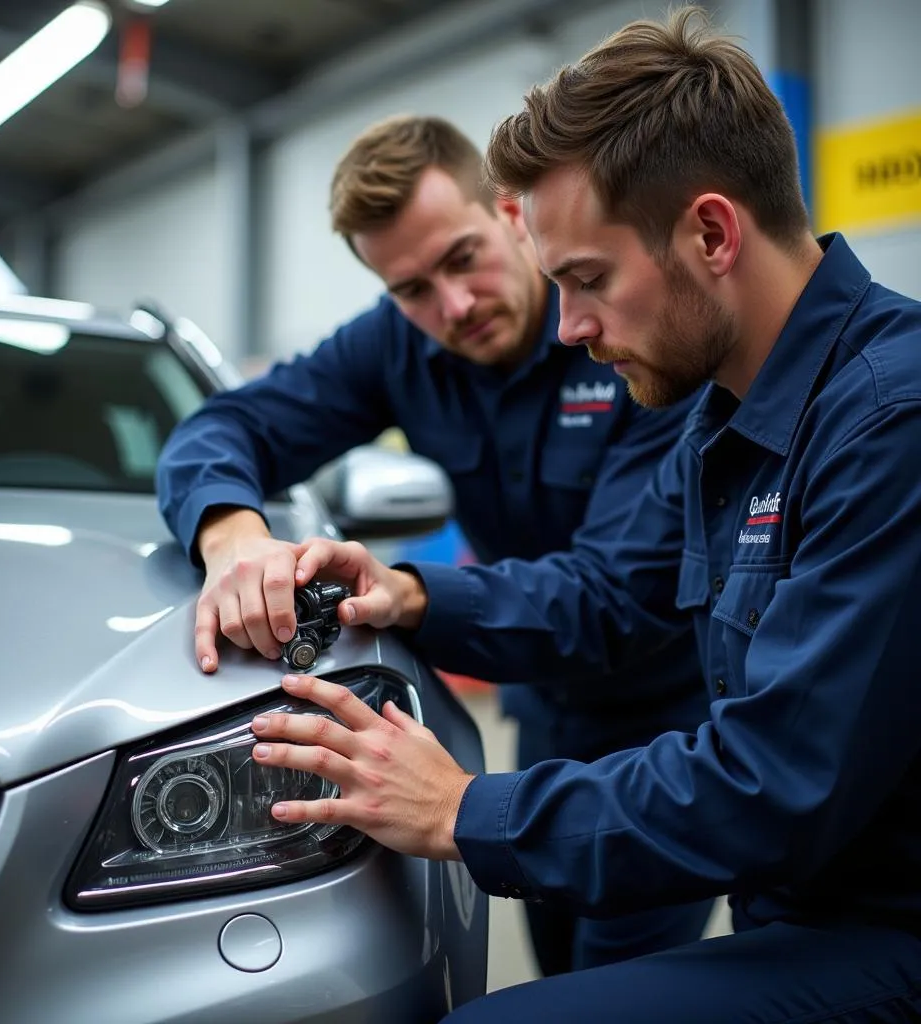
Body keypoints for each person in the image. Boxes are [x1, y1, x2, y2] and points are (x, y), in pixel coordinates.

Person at [245, 8, 921, 1022]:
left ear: (709, 232)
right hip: (795, 903)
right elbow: (611, 592)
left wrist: (468, 810)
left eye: (589, 281)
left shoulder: (888, 419)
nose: (573, 327)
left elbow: (774, 782)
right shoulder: (725, 419)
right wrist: (403, 595)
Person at [156, 113, 713, 974]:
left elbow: (614, 595)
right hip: (546, 705)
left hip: (668, 720)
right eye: (412, 288)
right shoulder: (394, 345)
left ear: (512, 214)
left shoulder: (627, 335)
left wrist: (413, 592)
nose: (452, 306)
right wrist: (230, 533)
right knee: (560, 958)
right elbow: (223, 426)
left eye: (462, 259)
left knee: (616, 982)